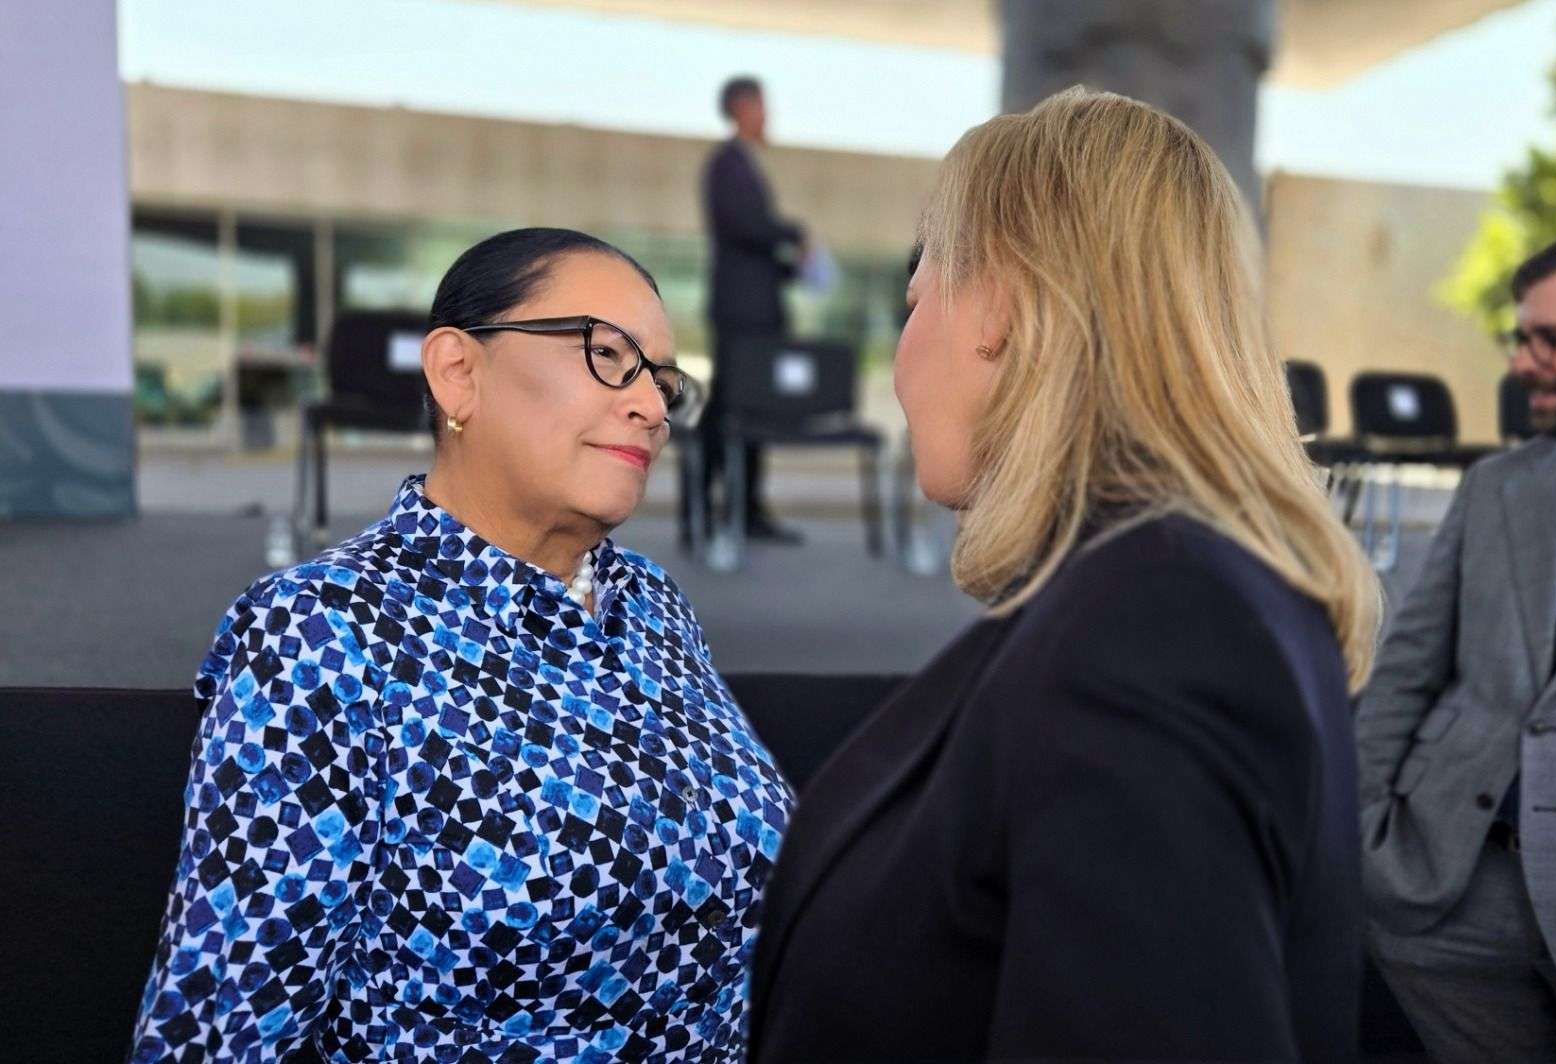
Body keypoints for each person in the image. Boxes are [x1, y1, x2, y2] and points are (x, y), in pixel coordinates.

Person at [746, 87, 1382, 1062]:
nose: (903, 356)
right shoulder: (1182, 588)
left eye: (915, 296)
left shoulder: (1153, 627)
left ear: (999, 302)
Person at [129, 228, 795, 1062]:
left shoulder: (653, 604)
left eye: (664, 380)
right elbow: (217, 1032)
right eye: (608, 355)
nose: (653, 408)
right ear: (457, 372)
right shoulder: (324, 633)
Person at [1359, 228, 1556, 1061]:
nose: (1523, 362)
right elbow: (1406, 670)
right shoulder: (1499, 485)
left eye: (1550, 339)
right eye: (1519, 337)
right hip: (1445, 900)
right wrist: (1362, 835)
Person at [696, 75, 806, 545]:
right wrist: (791, 233)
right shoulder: (727, 164)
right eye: (762, 105)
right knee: (732, 409)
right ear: (741, 108)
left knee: (749, 408)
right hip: (742, 313)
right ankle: (713, 502)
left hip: (755, 306)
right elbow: (745, 227)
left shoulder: (741, 164)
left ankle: (743, 506)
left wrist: (788, 267)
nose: (768, 115)